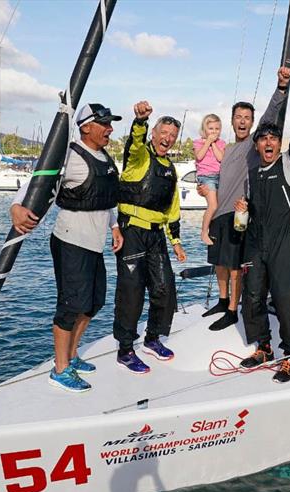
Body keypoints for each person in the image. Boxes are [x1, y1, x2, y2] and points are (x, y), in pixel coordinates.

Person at [10, 103, 124, 392]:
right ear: (85, 126)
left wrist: (114, 227)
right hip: (71, 240)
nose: (110, 128)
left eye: (110, 123)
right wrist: (15, 207)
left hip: (95, 243)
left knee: (93, 304)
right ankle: (59, 369)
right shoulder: (70, 156)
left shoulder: (104, 156)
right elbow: (36, 181)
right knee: (70, 307)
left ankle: (71, 355)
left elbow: (104, 198)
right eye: (104, 123)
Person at [235, 88, 290, 384]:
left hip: (284, 245)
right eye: (263, 139)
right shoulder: (254, 173)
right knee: (253, 297)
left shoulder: (289, 163)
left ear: (278, 144)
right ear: (256, 145)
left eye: (272, 139)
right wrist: (242, 211)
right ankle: (264, 348)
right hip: (256, 246)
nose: (268, 143)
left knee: (285, 300)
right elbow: (246, 222)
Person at [198, 67, 290, 332]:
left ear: (252, 123)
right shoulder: (225, 149)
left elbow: (271, 114)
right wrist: (203, 188)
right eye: (238, 117)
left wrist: (281, 87)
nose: (242, 121)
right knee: (218, 262)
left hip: (237, 213)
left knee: (235, 266)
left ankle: (231, 311)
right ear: (231, 121)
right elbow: (210, 173)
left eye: (247, 118)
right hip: (218, 213)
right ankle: (222, 299)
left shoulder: (254, 144)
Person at [114, 102, 187, 374]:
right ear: (154, 134)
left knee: (164, 289)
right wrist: (140, 121)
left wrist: (176, 241)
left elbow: (173, 207)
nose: (167, 139)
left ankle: (153, 339)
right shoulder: (139, 157)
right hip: (132, 232)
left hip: (156, 237)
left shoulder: (171, 168)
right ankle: (125, 350)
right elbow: (134, 142)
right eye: (163, 133)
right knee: (131, 292)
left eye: (172, 135)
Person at [194, 114, 226, 245]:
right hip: (206, 177)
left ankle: (215, 230)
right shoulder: (198, 142)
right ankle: (203, 232)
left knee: (218, 207)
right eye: (211, 128)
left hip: (219, 176)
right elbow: (199, 156)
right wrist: (207, 142)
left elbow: (221, 158)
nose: (214, 131)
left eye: (217, 129)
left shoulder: (221, 143)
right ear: (204, 129)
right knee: (213, 205)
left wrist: (213, 144)